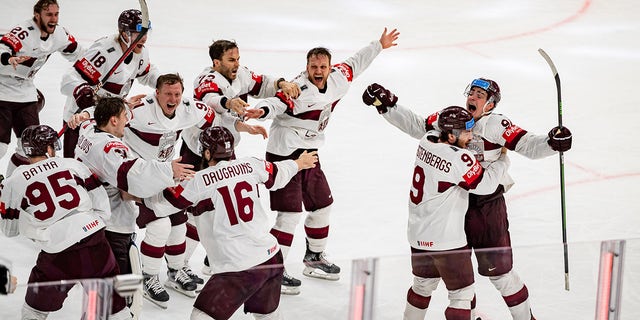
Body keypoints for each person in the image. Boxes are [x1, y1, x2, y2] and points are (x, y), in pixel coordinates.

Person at [363, 79, 573, 320]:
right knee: (461, 281)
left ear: (490, 104)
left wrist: (550, 143)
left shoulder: (497, 124)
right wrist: (389, 107)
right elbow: (419, 125)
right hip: (454, 207)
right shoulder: (453, 118)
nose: (472, 98)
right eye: (471, 92)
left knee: (500, 273)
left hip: (486, 208)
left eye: (479, 95)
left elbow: (526, 144)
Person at [247, 27, 400, 294]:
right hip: (285, 153)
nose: (318, 71)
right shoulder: (299, 89)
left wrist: (379, 44)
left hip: (311, 152)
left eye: (322, 66)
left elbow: (356, 62)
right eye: (313, 66)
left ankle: (313, 258)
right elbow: (276, 103)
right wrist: (260, 111)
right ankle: (272, 272)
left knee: (322, 206)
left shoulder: (339, 77)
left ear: (330, 67)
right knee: (289, 215)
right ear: (306, 67)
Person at [142, 126, 318, 320]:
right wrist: (299, 163)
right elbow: (279, 173)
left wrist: (134, 193)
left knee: (201, 317)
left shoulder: (199, 181)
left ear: (207, 152)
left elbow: (161, 205)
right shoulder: (251, 164)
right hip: (270, 260)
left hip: (238, 267)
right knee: (267, 317)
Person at [123, 73, 266, 308]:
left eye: (177, 94)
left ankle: (174, 271)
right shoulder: (138, 110)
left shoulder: (189, 107)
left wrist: (244, 127)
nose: (173, 98)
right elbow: (108, 122)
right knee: (160, 226)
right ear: (156, 93)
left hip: (170, 172)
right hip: (139, 174)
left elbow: (215, 123)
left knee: (180, 225)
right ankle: (148, 277)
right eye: (168, 94)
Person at [181, 39, 297, 277]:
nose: (236, 64)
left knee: (224, 206)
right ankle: (178, 266)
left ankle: (212, 259)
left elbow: (263, 83)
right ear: (216, 62)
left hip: (224, 148)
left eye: (238, 59)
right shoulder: (207, 79)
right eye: (231, 60)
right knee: (196, 210)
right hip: (198, 150)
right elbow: (210, 99)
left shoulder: (241, 74)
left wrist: (281, 83)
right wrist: (229, 102)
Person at [73, 96, 196, 315]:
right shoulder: (110, 147)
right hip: (113, 227)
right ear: (112, 120)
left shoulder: (89, 130)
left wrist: (92, 112)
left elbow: (89, 116)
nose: (127, 121)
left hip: (90, 221)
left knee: (98, 289)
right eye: (123, 117)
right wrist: (169, 171)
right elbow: (133, 181)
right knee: (119, 294)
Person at [0, 125, 131, 319]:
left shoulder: (13, 182)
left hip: (57, 253)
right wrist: (89, 226)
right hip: (94, 242)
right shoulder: (72, 164)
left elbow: (10, 230)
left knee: (34, 310)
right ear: (49, 149)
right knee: (113, 308)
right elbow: (102, 205)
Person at [59, 8, 159, 159]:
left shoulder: (141, 52)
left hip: (111, 120)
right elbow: (68, 79)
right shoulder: (105, 51)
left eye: (146, 33)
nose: (144, 38)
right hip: (82, 118)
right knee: (75, 168)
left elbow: (147, 73)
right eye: (140, 33)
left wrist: (163, 83)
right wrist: (81, 89)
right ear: (125, 34)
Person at [0, 0, 82, 177]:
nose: (53, 19)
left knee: (29, 148)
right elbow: (3, 47)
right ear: (37, 16)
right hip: (2, 88)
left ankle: (9, 185)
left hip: (26, 92)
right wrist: (7, 58)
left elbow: (79, 53)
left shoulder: (59, 34)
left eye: (56, 14)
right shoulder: (24, 32)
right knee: (0, 147)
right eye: (49, 15)